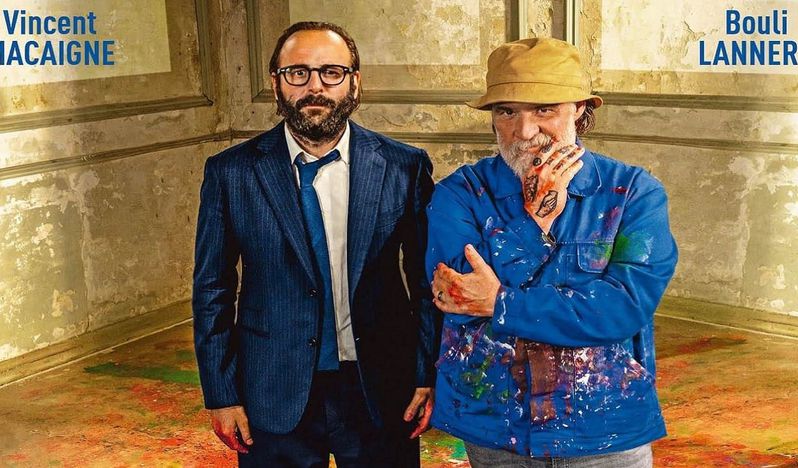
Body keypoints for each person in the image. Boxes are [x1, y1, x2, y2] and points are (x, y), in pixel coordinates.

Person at [192, 21, 440, 467]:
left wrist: (426, 373)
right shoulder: (231, 173)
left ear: (354, 82)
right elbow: (212, 289)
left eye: (331, 72)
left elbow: (427, 282)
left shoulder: (404, 167)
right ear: (276, 83)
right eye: (298, 73)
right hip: (272, 389)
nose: (315, 87)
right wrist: (221, 393)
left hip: (380, 387)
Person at [426, 37, 678, 467]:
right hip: (496, 424)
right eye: (507, 111)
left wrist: (499, 303)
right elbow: (457, 297)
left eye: (544, 110)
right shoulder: (460, 194)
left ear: (580, 109)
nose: (525, 131)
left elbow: (622, 310)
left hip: (603, 425)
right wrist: (536, 219)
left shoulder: (634, 194)